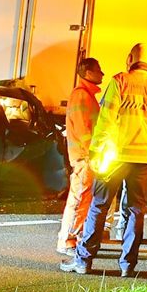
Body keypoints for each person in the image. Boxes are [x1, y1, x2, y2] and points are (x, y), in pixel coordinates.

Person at [60, 43, 147, 278]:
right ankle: (128, 265)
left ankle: (83, 261)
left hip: (116, 158)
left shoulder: (119, 81)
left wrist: (97, 151)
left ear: (130, 58)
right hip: (145, 160)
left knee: (98, 206)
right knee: (135, 210)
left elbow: (106, 120)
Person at [55, 57, 104, 256]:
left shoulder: (86, 95)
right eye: (99, 70)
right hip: (85, 158)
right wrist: (94, 152)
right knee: (79, 199)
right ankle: (68, 241)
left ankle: (75, 238)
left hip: (87, 157)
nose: (102, 73)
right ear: (88, 73)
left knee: (84, 199)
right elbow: (85, 130)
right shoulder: (82, 96)